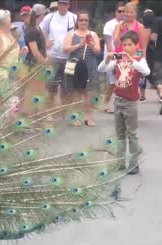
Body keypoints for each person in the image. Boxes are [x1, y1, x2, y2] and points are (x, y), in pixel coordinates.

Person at [97, 31, 150, 175]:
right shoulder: (118, 59)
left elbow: (146, 72)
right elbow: (100, 69)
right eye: (124, 45)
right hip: (118, 101)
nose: (126, 48)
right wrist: (107, 59)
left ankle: (133, 163)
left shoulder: (139, 59)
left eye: (129, 45)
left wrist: (132, 60)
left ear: (135, 45)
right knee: (119, 135)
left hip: (131, 103)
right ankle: (120, 162)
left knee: (132, 134)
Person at [63, 11, 101, 127]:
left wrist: (91, 44)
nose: (83, 22)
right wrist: (79, 45)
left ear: (88, 22)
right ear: (77, 21)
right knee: (76, 92)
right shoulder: (71, 34)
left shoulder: (93, 35)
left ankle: (88, 117)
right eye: (81, 20)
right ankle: (76, 116)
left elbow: (98, 51)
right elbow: (65, 49)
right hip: (75, 66)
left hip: (90, 66)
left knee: (88, 93)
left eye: (86, 20)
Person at [39, 0, 77, 109]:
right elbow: (40, 29)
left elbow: (80, 32)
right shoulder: (50, 17)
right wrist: (45, 40)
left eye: (65, 3)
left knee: (67, 86)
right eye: (60, 3)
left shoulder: (74, 17)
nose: (62, 5)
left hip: (70, 58)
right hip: (52, 57)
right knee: (51, 85)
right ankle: (49, 110)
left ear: (68, 5)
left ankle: (64, 110)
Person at [21, 4, 49, 115]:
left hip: (38, 64)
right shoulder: (31, 30)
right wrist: (45, 62)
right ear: (40, 15)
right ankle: (27, 116)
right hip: (34, 64)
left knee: (39, 91)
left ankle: (34, 115)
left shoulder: (38, 28)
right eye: (44, 14)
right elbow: (35, 51)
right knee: (31, 91)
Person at [102, 1, 126, 113]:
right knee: (112, 83)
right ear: (116, 12)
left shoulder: (128, 24)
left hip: (125, 56)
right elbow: (108, 42)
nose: (122, 13)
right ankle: (106, 103)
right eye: (120, 11)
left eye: (124, 11)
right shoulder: (109, 24)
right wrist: (114, 56)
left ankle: (122, 105)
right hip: (112, 56)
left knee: (124, 81)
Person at [139, 8, 156, 102]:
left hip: (144, 52)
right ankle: (161, 92)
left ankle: (142, 95)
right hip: (150, 52)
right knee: (148, 74)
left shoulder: (140, 27)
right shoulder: (154, 27)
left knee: (143, 74)